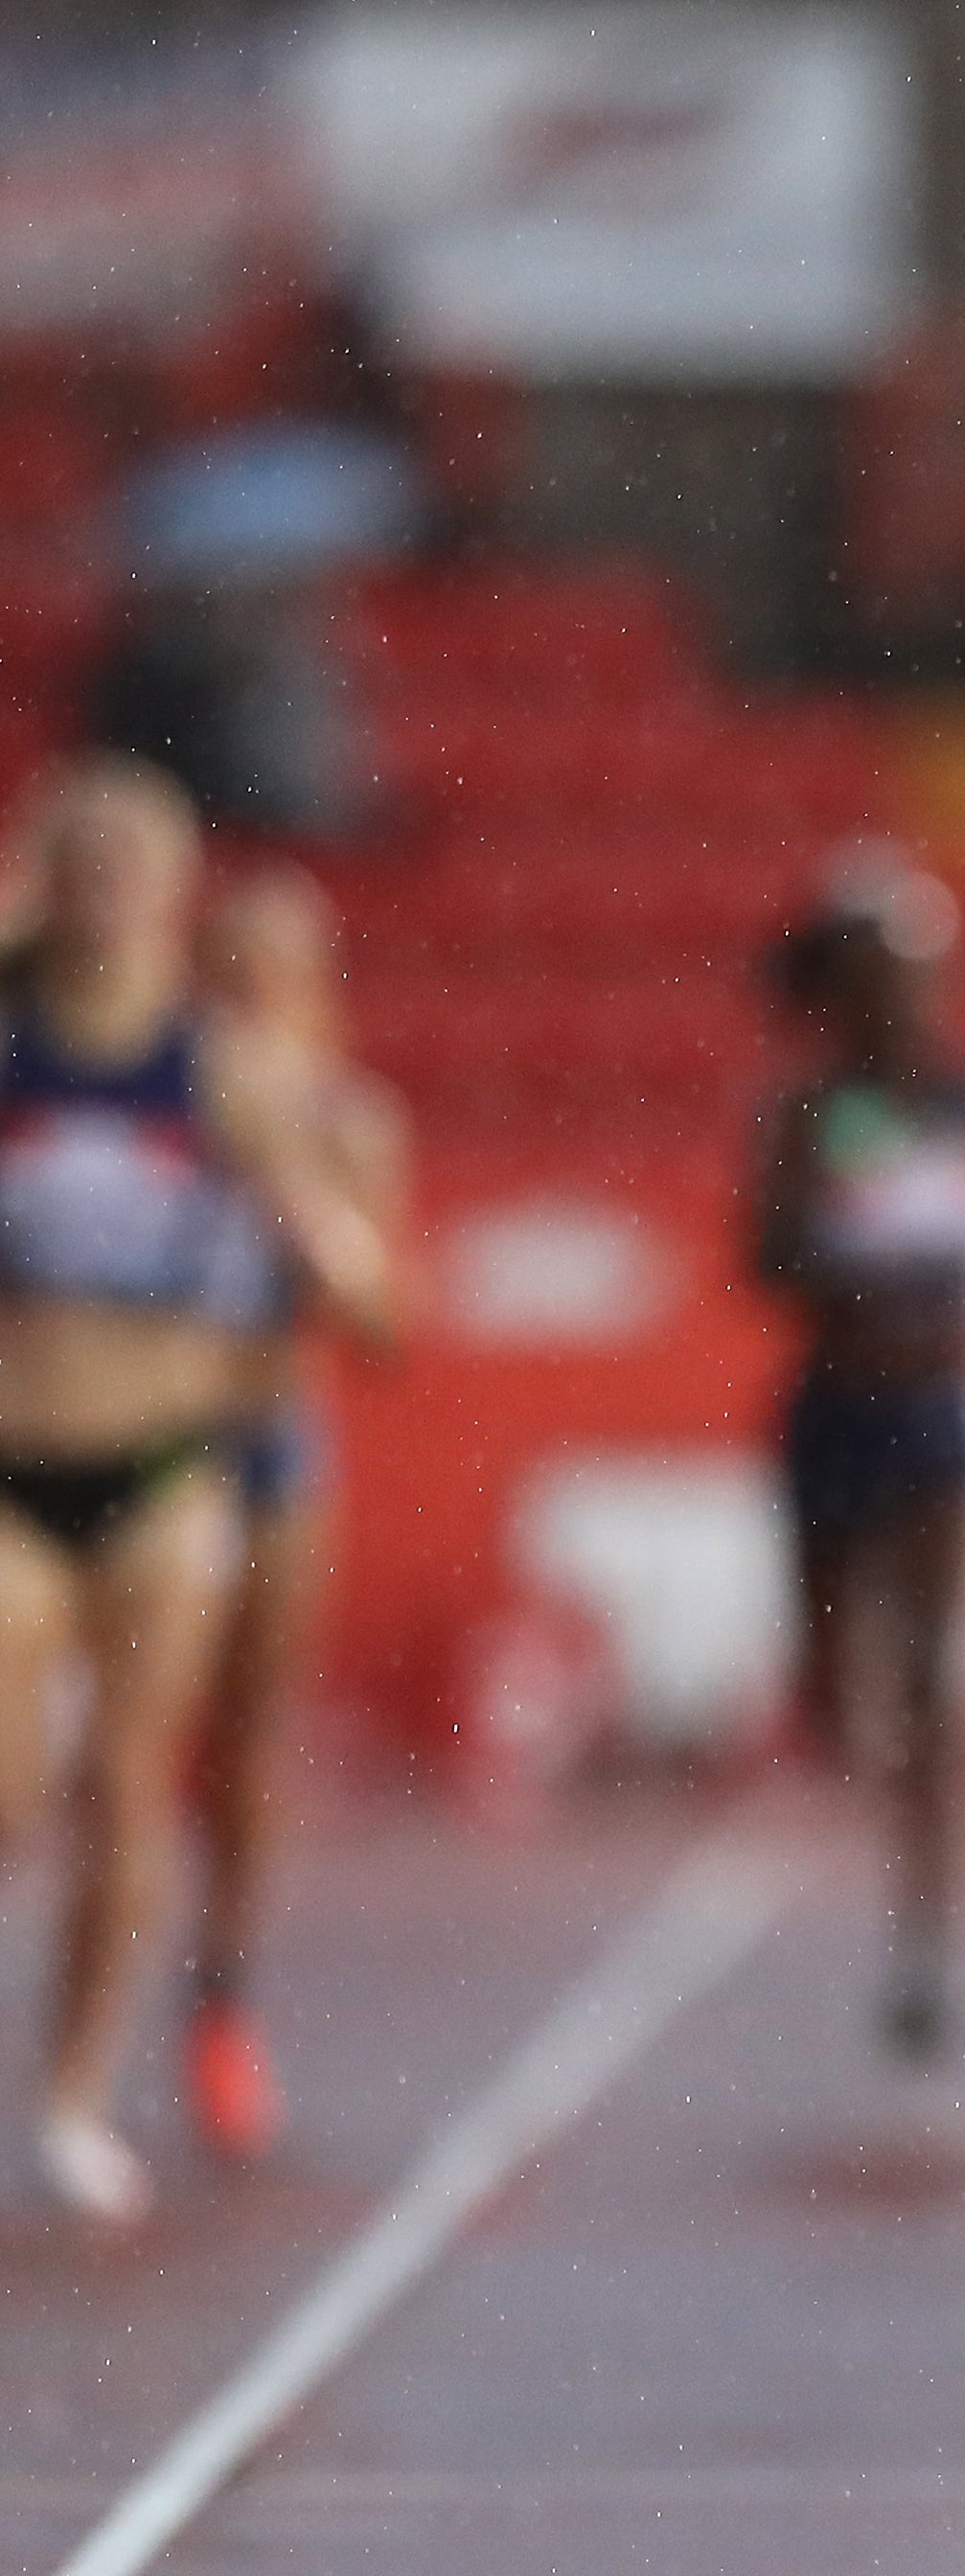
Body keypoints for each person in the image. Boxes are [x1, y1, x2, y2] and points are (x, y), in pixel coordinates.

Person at [0, 757, 391, 2221]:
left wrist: (341, 1251)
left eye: (131, 870)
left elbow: (359, 1277)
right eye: (78, 865)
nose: (103, 896)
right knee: (11, 1789)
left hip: (174, 1465)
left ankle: (78, 2088)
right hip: (18, 1465)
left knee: (135, 1784)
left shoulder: (217, 1069)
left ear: (168, 895)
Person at [746, 853, 965, 2061]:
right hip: (835, 1410)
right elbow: (766, 1257)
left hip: (942, 1414)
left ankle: (926, 1944)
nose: (903, 1000)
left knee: (937, 1685)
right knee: (836, 1697)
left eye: (918, 975)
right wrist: (864, 1253)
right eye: (876, 977)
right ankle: (854, 1726)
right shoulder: (803, 1111)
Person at [173, 862, 408, 2159]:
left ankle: (224, 1991)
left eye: (278, 971)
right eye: (231, 969)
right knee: (107, 1750)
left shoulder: (349, 1120)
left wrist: (316, 1222)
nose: (253, 996)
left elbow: (383, 1331)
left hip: (266, 1442)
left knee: (242, 1743)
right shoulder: (158, 1098)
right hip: (142, 1434)